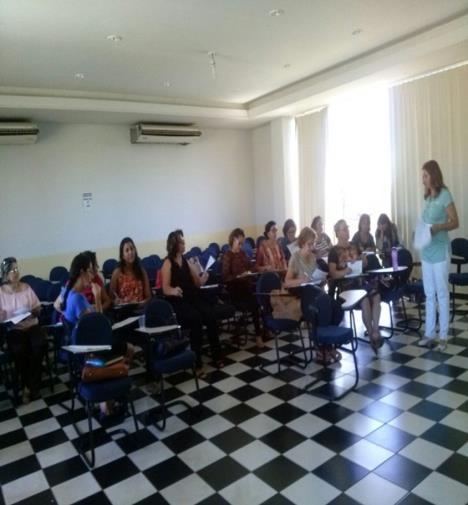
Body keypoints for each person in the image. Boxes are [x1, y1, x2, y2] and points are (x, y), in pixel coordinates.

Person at [161, 229, 223, 373]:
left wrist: (203, 277)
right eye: (181, 242)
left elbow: (197, 283)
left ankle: (216, 355)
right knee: (196, 319)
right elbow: (165, 288)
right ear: (174, 244)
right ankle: (197, 362)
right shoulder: (167, 263)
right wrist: (173, 290)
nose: (184, 244)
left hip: (192, 297)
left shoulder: (186, 261)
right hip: (178, 301)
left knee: (210, 314)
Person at [418, 160, 459, 351]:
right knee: (429, 294)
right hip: (426, 252)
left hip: (441, 252)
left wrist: (438, 227)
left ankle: (443, 337)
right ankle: (429, 333)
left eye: (425, 175)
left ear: (433, 175)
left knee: (442, 294)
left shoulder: (445, 195)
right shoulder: (427, 198)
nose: (423, 179)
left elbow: (454, 222)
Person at [328, 219, 382, 350]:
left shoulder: (354, 245)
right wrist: (345, 271)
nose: (347, 230)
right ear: (337, 233)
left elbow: (363, 264)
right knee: (364, 300)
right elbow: (333, 274)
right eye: (344, 229)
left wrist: (363, 261)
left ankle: (375, 330)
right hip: (346, 285)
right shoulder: (333, 251)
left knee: (376, 296)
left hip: (360, 281)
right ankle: (370, 334)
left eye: (347, 227)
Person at [0, 257, 45, 403]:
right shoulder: (1, 292)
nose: (16, 272)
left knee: (39, 345)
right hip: (14, 329)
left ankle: (29, 387)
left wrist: (34, 311)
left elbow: (38, 307)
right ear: (5, 274)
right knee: (19, 350)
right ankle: (29, 385)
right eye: (12, 270)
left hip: (31, 325)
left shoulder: (26, 287)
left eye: (17, 269)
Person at [222, 228, 263, 348]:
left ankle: (262, 331)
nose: (241, 246)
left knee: (259, 297)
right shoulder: (227, 256)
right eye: (239, 243)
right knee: (254, 302)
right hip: (234, 289)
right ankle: (258, 335)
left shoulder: (243, 254)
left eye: (242, 243)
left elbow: (251, 266)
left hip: (246, 286)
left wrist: (253, 270)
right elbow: (225, 278)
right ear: (233, 240)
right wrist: (239, 276)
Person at [110, 237, 151, 305]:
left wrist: (142, 303)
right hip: (125, 311)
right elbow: (111, 297)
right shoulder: (117, 272)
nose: (130, 252)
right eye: (127, 250)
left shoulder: (141, 270)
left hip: (141, 308)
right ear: (122, 255)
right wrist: (115, 301)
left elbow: (148, 296)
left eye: (132, 249)